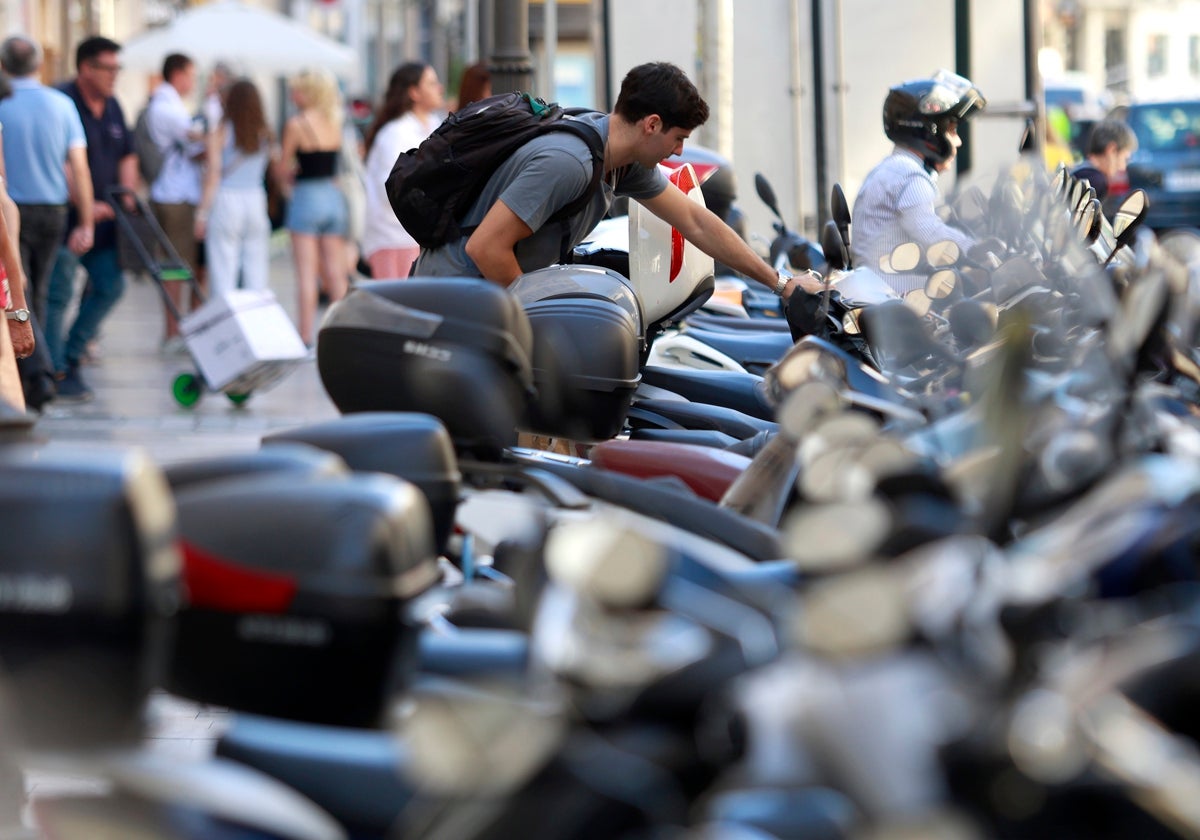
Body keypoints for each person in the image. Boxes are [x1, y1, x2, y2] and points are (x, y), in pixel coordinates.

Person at [411, 62, 821, 302]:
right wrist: (537, 323)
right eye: (678, 139)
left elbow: (695, 221)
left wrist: (782, 284)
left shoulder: (621, 161)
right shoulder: (568, 163)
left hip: (485, 300)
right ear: (652, 124)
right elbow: (486, 248)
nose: (678, 153)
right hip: (450, 302)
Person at [43, 36, 137, 403]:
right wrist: (86, 205)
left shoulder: (113, 106)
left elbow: (127, 153)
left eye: (117, 68)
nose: (114, 75)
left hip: (107, 223)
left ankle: (70, 354)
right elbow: (59, 161)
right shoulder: (61, 102)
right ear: (85, 68)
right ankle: (53, 371)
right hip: (67, 221)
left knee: (111, 285)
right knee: (58, 293)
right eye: (108, 68)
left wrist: (124, 196)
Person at [849, 69, 987, 295]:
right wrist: (979, 250)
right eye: (952, 130)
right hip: (896, 301)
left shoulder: (892, 168)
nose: (959, 141)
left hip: (878, 293)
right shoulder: (910, 176)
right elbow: (931, 234)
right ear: (930, 132)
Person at [0, 35, 94, 325]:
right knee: (38, 290)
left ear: (3, 64)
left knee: (16, 290)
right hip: (53, 210)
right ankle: (36, 364)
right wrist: (86, 222)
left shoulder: (2, 103)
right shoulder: (62, 104)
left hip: (9, 209)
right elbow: (80, 168)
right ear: (39, 64)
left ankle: (28, 363)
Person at [278, 68, 349, 345]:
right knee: (336, 273)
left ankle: (304, 336)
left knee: (306, 274)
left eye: (297, 89)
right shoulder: (336, 121)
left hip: (307, 197)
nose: (293, 94)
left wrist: (286, 174)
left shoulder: (296, 124)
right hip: (332, 197)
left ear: (309, 93)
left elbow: (283, 168)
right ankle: (342, 333)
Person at [361, 62, 445, 280]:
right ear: (414, 92)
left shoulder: (436, 124)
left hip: (422, 237)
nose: (440, 88)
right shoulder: (395, 133)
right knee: (397, 310)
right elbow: (391, 188)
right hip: (394, 237)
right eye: (432, 83)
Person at [146, 52, 206, 350]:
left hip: (175, 194)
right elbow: (198, 141)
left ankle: (179, 331)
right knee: (175, 266)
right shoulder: (167, 107)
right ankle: (173, 334)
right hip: (176, 196)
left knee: (181, 265)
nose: (193, 82)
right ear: (178, 74)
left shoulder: (168, 103)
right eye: (192, 75)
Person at [194, 78, 273, 299]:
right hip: (256, 198)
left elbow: (213, 175)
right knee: (256, 271)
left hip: (226, 199)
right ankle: (256, 324)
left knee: (222, 271)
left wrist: (201, 214)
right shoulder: (265, 132)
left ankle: (227, 327)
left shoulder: (221, 131)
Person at [1071, 117, 1137, 202]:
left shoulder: (1082, 171)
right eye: (1125, 159)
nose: (1123, 167)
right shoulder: (1096, 182)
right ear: (1112, 150)